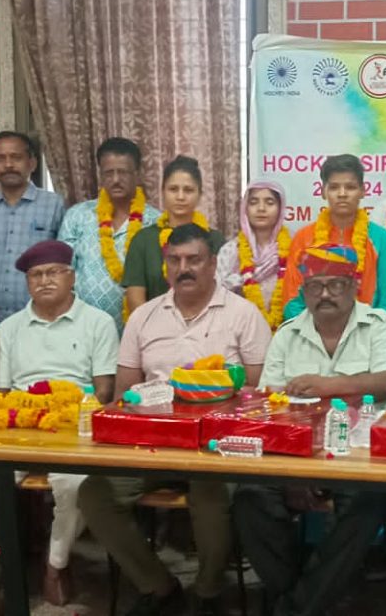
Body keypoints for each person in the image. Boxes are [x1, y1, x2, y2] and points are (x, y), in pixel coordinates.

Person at [81, 223, 272, 615]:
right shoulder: (144, 317)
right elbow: (123, 396)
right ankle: (159, 587)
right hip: (152, 446)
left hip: (216, 448)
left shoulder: (244, 315)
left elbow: (260, 396)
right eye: (175, 260)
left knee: (210, 494)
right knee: (94, 494)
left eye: (194, 260)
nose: (184, 268)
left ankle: (207, 592)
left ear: (213, 263)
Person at [233, 244, 386, 616]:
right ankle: (305, 597)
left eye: (335, 285)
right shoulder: (287, 334)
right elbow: (269, 403)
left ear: (354, 285)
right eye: (315, 286)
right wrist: (296, 470)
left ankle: (294, 606)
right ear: (303, 291)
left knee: (367, 503)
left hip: (359, 457)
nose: (325, 294)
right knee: (249, 497)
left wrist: (328, 385)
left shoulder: (377, 325)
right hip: (294, 453)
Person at [0, 240, 118, 613]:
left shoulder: (99, 322)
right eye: (35, 275)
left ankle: (55, 565)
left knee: (76, 484)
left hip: (73, 426)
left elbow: (104, 391)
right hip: (18, 427)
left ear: (72, 277)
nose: (44, 281)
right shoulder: (10, 328)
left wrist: (71, 415)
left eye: (53, 272)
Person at [279, 154, 386, 321]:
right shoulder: (304, 238)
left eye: (350, 187)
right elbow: (291, 300)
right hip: (313, 331)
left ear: (363, 191)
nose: (342, 194)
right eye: (334, 187)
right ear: (323, 192)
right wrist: (319, 329)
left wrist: (369, 330)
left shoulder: (380, 238)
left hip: (369, 330)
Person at [57, 137, 162, 327]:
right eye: (108, 173)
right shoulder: (77, 215)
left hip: (136, 327)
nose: (115, 180)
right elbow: (62, 271)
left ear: (137, 174)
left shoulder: (156, 221)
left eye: (123, 172)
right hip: (82, 328)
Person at [0, 131, 66, 326]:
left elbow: (65, 265)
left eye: (16, 157)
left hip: (41, 318)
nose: (8, 165)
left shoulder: (54, 205)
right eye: (0, 159)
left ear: (32, 163)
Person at [123, 155, 225, 313]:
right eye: (173, 189)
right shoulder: (143, 240)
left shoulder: (214, 240)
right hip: (153, 325)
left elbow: (222, 293)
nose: (180, 197)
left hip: (207, 323)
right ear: (162, 192)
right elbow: (135, 298)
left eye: (188, 190)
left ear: (200, 195)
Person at [217, 180, 290, 331]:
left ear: (280, 208)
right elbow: (215, 294)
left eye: (269, 202)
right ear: (245, 208)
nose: (261, 208)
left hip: (284, 333)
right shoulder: (231, 250)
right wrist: (242, 280)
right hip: (238, 331)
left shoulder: (293, 249)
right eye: (253, 202)